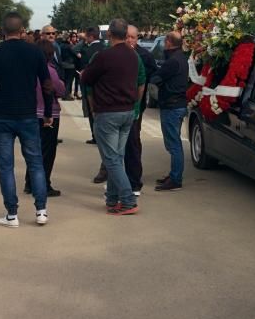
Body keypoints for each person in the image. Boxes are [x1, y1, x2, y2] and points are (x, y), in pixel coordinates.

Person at [0, 12, 55, 228]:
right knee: (36, 163)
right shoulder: (35, 53)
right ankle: (41, 211)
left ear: (2, 31)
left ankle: (12, 214)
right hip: (28, 114)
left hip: (2, 115)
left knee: (5, 166)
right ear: (22, 31)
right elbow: (47, 86)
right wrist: (48, 112)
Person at [80, 19, 145, 215]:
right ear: (126, 35)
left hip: (108, 112)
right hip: (127, 111)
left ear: (108, 34)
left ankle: (127, 200)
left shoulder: (104, 56)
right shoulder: (134, 56)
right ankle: (112, 199)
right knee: (117, 157)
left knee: (112, 160)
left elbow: (86, 79)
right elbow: (140, 82)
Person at [28, 39, 66, 197]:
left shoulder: (28, 69)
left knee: (33, 151)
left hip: (31, 113)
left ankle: (29, 182)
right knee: (47, 152)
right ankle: (44, 184)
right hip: (48, 114)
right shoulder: (50, 71)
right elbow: (59, 89)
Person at [151, 31, 188, 192]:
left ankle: (175, 179)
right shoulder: (181, 57)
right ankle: (174, 174)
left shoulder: (173, 61)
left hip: (172, 105)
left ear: (168, 42)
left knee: (173, 144)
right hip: (177, 104)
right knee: (173, 142)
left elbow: (157, 77)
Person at [125, 25, 157, 195]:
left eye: (133, 37)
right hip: (117, 107)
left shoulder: (144, 56)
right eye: (127, 37)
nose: (130, 40)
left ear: (138, 39)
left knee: (133, 141)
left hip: (135, 106)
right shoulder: (116, 54)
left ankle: (134, 179)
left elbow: (150, 77)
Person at [80, 26, 105, 147]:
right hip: (103, 86)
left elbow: (83, 66)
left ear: (91, 36)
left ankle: (95, 136)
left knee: (91, 111)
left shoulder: (88, 51)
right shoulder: (105, 47)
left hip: (90, 84)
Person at [58, 33, 78, 100]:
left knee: (64, 80)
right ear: (68, 38)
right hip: (70, 65)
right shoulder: (70, 46)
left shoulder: (60, 45)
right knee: (69, 81)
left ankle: (63, 94)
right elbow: (75, 54)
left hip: (63, 64)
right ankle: (67, 95)